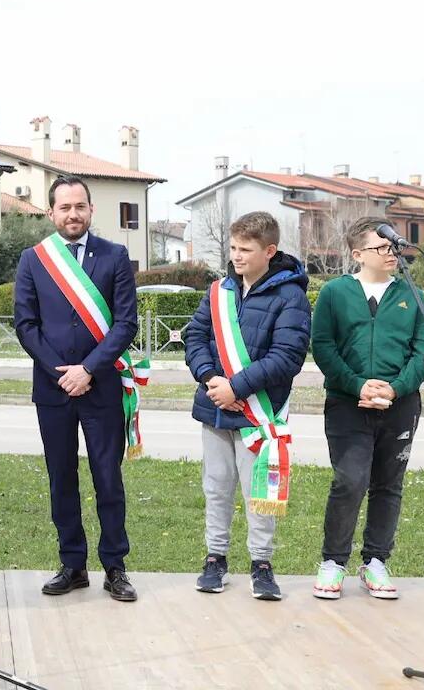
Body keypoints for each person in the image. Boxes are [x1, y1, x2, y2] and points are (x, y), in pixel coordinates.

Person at [14, 176, 140, 602]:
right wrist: (60, 372)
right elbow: (25, 326)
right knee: (60, 478)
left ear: (90, 210)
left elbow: (126, 323)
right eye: (65, 207)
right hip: (53, 391)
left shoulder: (115, 256)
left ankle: (115, 566)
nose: (73, 214)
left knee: (108, 477)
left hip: (100, 387)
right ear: (51, 213)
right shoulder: (33, 260)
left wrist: (87, 369)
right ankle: (72, 564)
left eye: (80, 206)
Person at [184, 211, 310, 601]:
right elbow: (196, 337)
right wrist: (209, 378)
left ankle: (262, 564)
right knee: (217, 488)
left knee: (260, 493)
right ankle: (214, 558)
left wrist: (236, 386)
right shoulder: (219, 291)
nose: (236, 256)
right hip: (214, 408)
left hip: (259, 413)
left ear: (269, 251)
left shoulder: (291, 296)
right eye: (234, 248)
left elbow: (287, 357)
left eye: (246, 249)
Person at [311, 217, 424, 600]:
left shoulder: (412, 294)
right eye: (382, 247)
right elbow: (323, 346)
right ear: (357, 253)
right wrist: (358, 384)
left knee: (388, 485)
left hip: (399, 405)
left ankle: (375, 561)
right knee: (350, 480)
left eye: (393, 246)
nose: (391, 252)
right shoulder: (335, 293)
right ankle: (333, 561)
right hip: (348, 404)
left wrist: (394, 390)